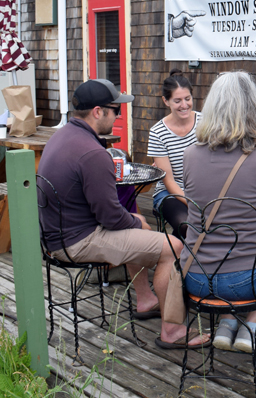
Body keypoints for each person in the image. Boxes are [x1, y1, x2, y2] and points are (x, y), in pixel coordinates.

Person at [37, 79, 209, 349]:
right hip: (77, 241)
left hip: (56, 235)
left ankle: (146, 299)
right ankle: (173, 331)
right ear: (98, 111)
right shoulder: (92, 153)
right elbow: (111, 218)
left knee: (136, 229)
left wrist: (132, 222)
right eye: (115, 109)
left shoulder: (62, 136)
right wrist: (136, 220)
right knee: (173, 246)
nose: (119, 115)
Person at [181, 71, 256, 355]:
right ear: (255, 110)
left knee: (238, 259)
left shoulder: (189, 155)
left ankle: (227, 325)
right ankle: (251, 327)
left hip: (196, 277)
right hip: (248, 280)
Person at [147, 70, 201, 237]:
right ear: (166, 101)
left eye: (187, 99)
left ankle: (181, 258)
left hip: (202, 190)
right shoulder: (158, 133)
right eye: (177, 101)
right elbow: (169, 181)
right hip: (169, 193)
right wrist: (193, 204)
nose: (184, 105)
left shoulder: (205, 123)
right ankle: (180, 258)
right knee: (187, 225)